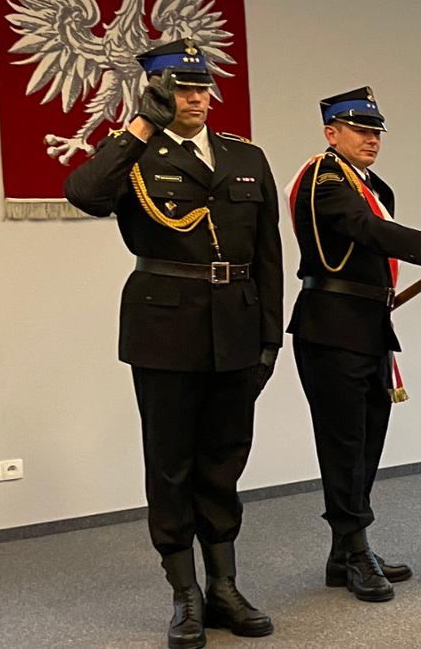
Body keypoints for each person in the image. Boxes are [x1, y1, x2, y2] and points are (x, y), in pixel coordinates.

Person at [63, 39, 280, 649]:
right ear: (156, 91)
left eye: (201, 87)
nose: (195, 98)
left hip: (236, 325)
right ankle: (185, 594)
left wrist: (270, 338)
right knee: (171, 462)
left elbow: (268, 255)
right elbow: (83, 192)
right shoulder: (135, 155)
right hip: (165, 328)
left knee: (224, 458)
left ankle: (225, 588)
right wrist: (137, 127)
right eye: (180, 88)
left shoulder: (246, 156)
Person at [287, 87, 421, 603]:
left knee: (367, 438)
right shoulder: (324, 177)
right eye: (359, 129)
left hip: (365, 322)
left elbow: (373, 230)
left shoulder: (366, 181)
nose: (371, 138)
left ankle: (344, 549)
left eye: (376, 131)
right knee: (344, 442)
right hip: (331, 324)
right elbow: (363, 228)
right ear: (332, 133)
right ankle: (355, 550)